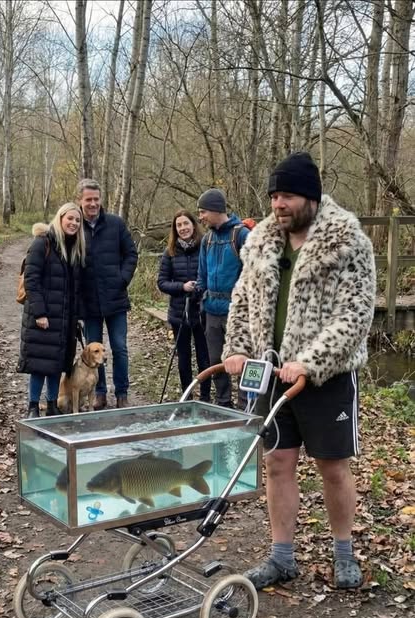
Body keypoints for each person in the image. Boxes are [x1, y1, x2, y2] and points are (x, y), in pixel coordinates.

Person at [222, 151, 376, 590]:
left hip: (327, 378)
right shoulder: (260, 242)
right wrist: (236, 348)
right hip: (271, 374)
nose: (278, 204)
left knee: (333, 467)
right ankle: (282, 557)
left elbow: (355, 315)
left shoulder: (349, 243)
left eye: (287, 196)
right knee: (277, 463)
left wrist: (310, 362)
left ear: (311, 197)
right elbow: (242, 300)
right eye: (274, 196)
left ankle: (343, 552)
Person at [18, 202, 85, 418]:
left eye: (77, 220)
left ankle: (52, 404)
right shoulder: (42, 243)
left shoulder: (75, 248)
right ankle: (33, 406)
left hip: (64, 318)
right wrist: (39, 313)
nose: (74, 223)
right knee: (40, 364)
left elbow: (76, 288)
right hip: (44, 315)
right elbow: (31, 279)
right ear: (60, 218)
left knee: (57, 364)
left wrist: (77, 316)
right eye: (70, 218)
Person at [76, 179, 138, 409]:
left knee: (119, 348)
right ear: (80, 201)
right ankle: (99, 392)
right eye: (88, 200)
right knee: (93, 351)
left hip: (115, 298)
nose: (93, 204)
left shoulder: (115, 224)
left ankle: (122, 393)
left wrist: (122, 279)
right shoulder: (75, 226)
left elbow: (131, 254)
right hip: (89, 302)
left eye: (96, 199)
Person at [196, 188, 250, 407]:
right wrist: (199, 293)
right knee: (216, 360)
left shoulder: (242, 235)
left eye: (203, 212)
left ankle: (246, 405)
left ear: (215, 209)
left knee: (242, 358)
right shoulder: (207, 239)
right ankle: (223, 402)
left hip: (237, 310)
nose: (200, 217)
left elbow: (252, 274)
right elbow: (202, 273)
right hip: (212, 310)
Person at [157, 210, 211, 401]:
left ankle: (205, 397)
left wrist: (200, 288)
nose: (183, 228)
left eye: (186, 223)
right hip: (179, 313)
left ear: (193, 225)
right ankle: (186, 397)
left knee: (204, 357)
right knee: (184, 358)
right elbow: (162, 282)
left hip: (202, 312)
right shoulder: (170, 252)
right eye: (179, 225)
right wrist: (182, 287)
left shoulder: (205, 246)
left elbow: (211, 275)